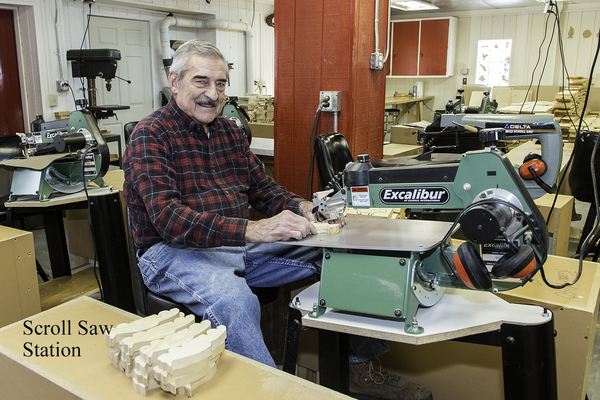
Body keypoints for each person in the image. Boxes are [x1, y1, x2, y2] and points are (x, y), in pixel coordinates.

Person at [123, 39, 432, 400]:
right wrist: (254, 229)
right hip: (171, 252)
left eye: (220, 84)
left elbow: (262, 189)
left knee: (339, 257)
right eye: (201, 81)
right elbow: (168, 219)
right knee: (234, 299)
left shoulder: (228, 132)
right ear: (175, 82)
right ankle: (273, 393)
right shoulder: (151, 135)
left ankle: (357, 371)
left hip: (234, 245)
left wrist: (305, 208)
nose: (213, 93)